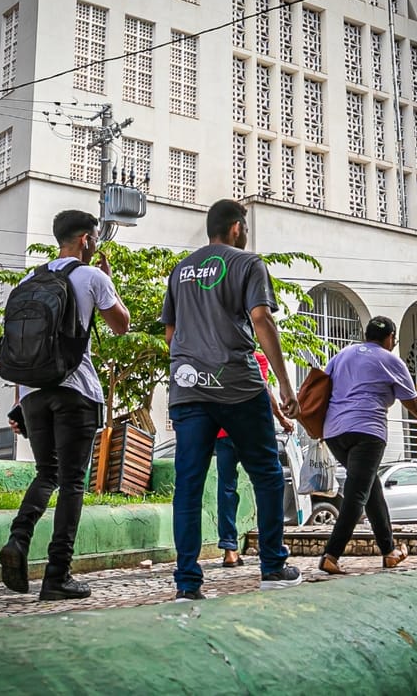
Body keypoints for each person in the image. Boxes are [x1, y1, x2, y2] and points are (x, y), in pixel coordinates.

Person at [162, 199, 301, 601]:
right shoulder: (248, 263)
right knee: (267, 474)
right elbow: (261, 319)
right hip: (238, 385)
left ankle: (187, 583)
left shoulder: (180, 270)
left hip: (189, 388)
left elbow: (171, 334)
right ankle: (272, 566)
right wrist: (285, 385)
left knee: (188, 484)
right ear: (237, 227)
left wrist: (195, 360)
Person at [0, 209, 130, 601]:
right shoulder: (92, 277)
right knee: (72, 482)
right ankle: (57, 576)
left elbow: (19, 346)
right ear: (86, 239)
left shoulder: (29, 280)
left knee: (46, 473)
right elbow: (121, 325)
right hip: (74, 390)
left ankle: (18, 539)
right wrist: (109, 280)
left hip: (33, 391)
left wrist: (20, 404)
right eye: (94, 239)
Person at [318, 315, 417, 577]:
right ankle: (331, 555)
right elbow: (412, 401)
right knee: (357, 494)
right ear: (390, 338)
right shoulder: (391, 360)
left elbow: (322, 385)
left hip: (334, 433)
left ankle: (389, 551)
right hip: (367, 432)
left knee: (370, 488)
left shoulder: (343, 355)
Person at [211, 349, 274, 568]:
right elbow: (263, 393)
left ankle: (230, 550)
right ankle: (270, 547)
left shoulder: (216, 358)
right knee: (265, 485)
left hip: (223, 432)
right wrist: (282, 419)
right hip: (250, 431)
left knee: (226, 489)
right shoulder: (257, 358)